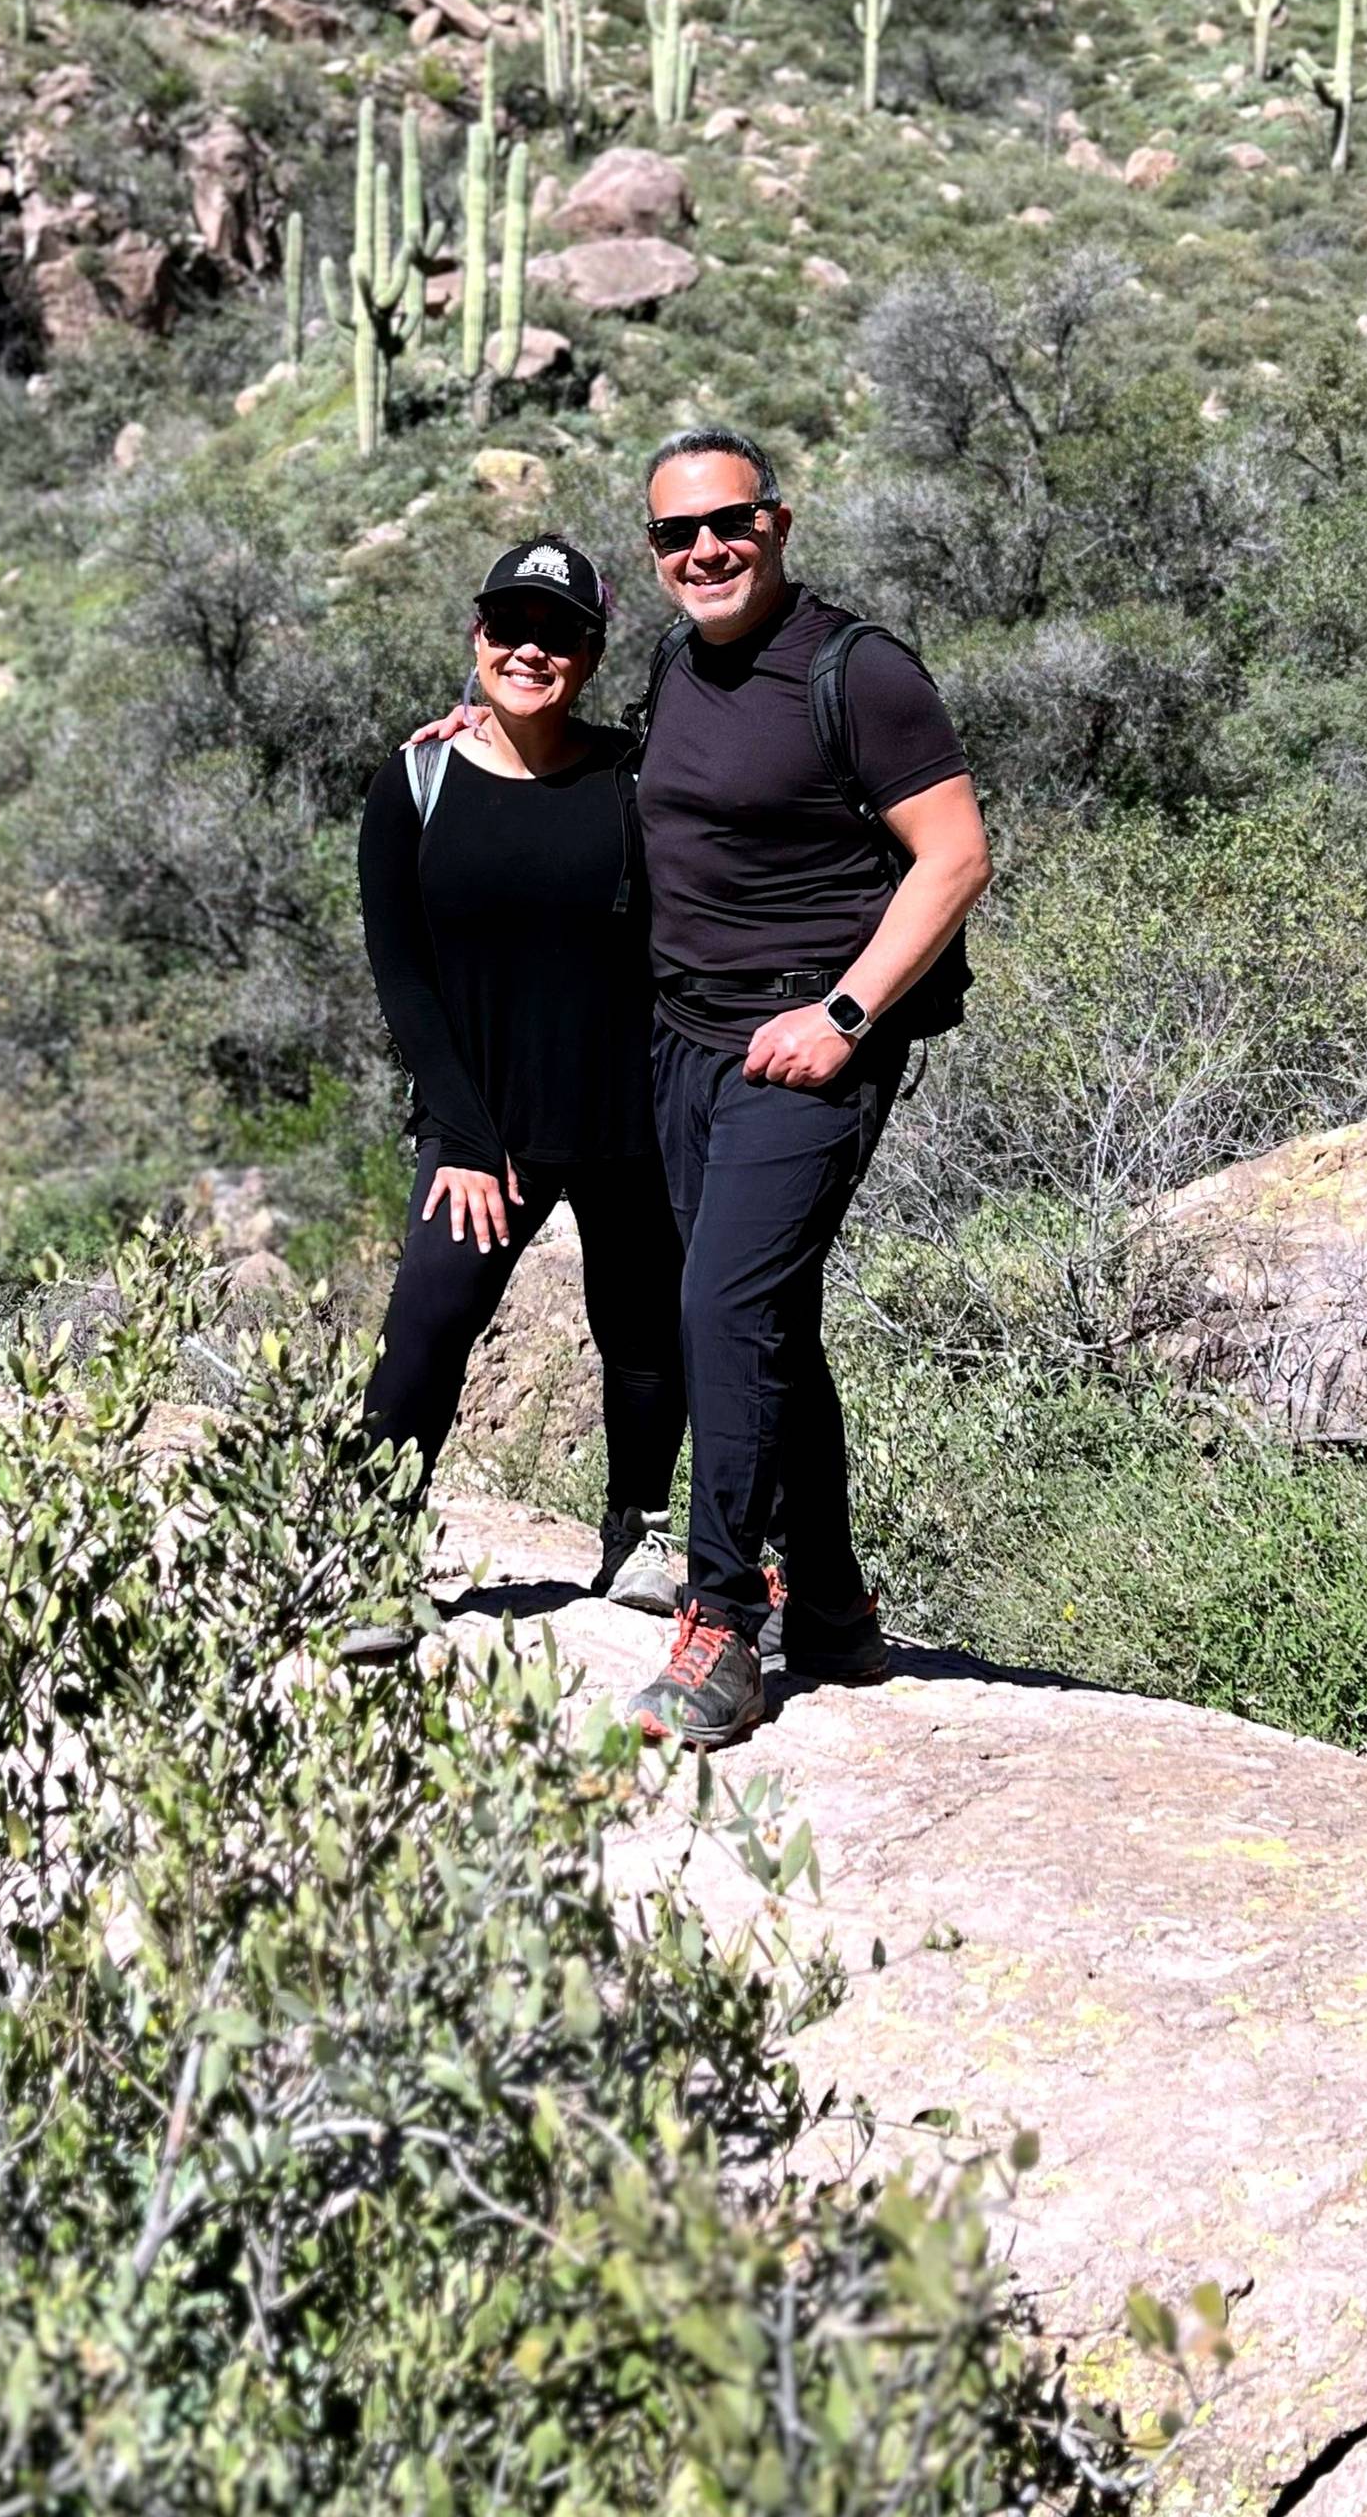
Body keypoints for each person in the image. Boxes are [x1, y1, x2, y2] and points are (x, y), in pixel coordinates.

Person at [621, 428, 991, 1750]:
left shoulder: (860, 669)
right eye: (677, 534)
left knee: (721, 1306)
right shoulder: (676, 660)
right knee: (758, 1315)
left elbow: (953, 856)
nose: (705, 549)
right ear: (655, 555)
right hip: (684, 1041)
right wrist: (495, 731)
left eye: (728, 522)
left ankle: (724, 1624)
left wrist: (844, 1015)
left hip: (810, 1050)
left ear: (777, 523)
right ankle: (831, 1604)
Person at [350, 536, 688, 1650]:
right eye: (508, 628)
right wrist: (460, 1130)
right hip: (481, 1123)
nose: (529, 650)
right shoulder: (418, 781)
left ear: (591, 654)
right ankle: (371, 1557)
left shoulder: (638, 775)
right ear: (475, 638)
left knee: (643, 1334)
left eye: (558, 635)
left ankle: (636, 1531)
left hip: (628, 1115)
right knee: (429, 1321)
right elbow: (403, 974)